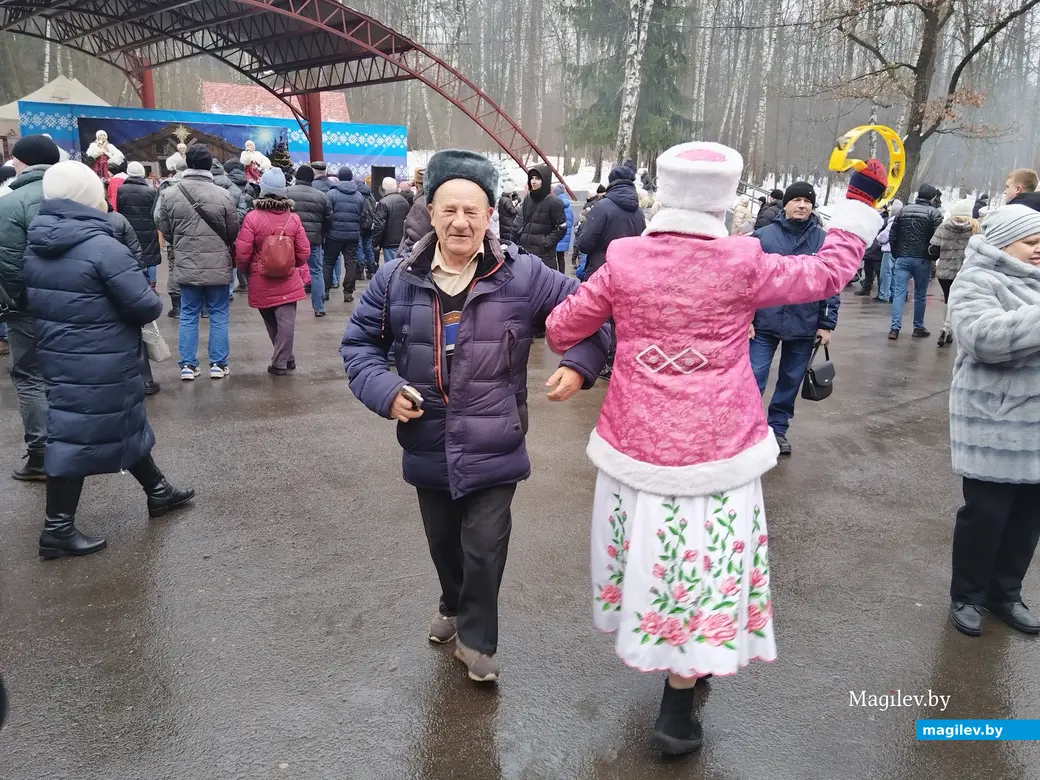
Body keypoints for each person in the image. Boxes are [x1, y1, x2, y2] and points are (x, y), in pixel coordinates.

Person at [544, 142, 884, 756]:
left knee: (653, 554)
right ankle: (678, 705)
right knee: (707, 562)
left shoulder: (624, 259)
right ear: (725, 200)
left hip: (637, 440)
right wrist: (859, 205)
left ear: (665, 193)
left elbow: (562, 327)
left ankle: (658, 654)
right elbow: (826, 274)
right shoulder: (744, 261)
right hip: (720, 444)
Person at [341, 149, 609, 684]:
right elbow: (359, 346)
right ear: (430, 213)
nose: (460, 222)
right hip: (426, 436)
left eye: (472, 211)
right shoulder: (395, 279)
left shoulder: (523, 274)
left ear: (489, 215)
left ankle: (477, 641)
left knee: (484, 544)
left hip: (495, 437)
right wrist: (384, 389)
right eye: (449, 210)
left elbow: (593, 314)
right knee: (444, 543)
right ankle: (451, 600)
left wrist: (579, 365)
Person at [23, 161, 194, 560]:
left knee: (122, 422)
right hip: (101, 354)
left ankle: (158, 490)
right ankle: (57, 527)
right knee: (75, 434)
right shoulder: (103, 247)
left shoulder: (38, 243)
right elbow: (144, 304)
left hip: (61, 350)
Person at [946, 205, 1040, 638]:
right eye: (1031, 242)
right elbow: (983, 339)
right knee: (986, 515)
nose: (1039, 250)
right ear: (1003, 243)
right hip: (995, 423)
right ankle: (967, 595)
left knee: (1028, 519)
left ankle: (1006, 594)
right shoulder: (977, 279)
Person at [749, 182, 839, 456]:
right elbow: (748, 280)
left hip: (804, 324)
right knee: (753, 377)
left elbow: (832, 285)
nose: (802, 205)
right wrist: (746, 318)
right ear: (785, 204)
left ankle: (778, 429)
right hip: (764, 322)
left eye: (807, 201)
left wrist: (826, 324)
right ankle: (749, 429)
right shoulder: (763, 237)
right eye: (796, 200)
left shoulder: (823, 241)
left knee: (790, 381)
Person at [0, 135, 61, 481]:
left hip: (28, 307)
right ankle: (75, 443)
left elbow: (8, 264)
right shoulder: (77, 197)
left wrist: (16, 302)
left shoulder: (9, 204)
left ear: (21, 162)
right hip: (75, 303)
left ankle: (41, 454)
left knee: (29, 375)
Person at [157, 144, 241, 380]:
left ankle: (187, 365)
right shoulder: (223, 194)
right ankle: (218, 364)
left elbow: (165, 228)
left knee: (188, 313)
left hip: (186, 262)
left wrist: (180, 242)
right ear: (209, 166)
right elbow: (233, 230)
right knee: (218, 314)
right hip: (218, 263)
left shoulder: (170, 194)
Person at [234, 169, 311, 375]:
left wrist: (247, 270)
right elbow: (304, 251)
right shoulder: (293, 219)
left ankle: (280, 363)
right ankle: (286, 358)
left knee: (271, 321)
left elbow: (242, 252)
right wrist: (290, 263)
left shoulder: (252, 217)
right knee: (286, 323)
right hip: (288, 278)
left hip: (261, 277)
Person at [888, 183, 943, 340]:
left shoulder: (903, 210)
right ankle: (918, 327)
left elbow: (893, 234)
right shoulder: (934, 214)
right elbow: (938, 239)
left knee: (899, 293)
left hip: (902, 257)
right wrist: (932, 257)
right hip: (922, 259)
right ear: (932, 197)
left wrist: (896, 253)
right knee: (920, 295)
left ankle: (894, 329)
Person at [929, 197, 978, 347]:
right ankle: (948, 328)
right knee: (958, 302)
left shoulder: (944, 226)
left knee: (948, 299)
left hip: (945, 272)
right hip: (965, 272)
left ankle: (946, 329)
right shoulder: (976, 228)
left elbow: (933, 250)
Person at [287, 164, 333, 318]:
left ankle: (287, 305)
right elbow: (329, 219)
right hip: (313, 239)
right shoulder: (321, 196)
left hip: (290, 238)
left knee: (287, 270)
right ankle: (319, 307)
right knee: (316, 271)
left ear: (297, 177)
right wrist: (321, 234)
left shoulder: (286, 193)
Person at [116, 162, 161, 290]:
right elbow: (154, 211)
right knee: (150, 257)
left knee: (131, 255)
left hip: (128, 226)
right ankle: (152, 285)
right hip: (148, 227)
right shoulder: (151, 191)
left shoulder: (121, 190)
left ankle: (134, 285)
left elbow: (119, 208)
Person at [512, 164, 566, 269]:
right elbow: (520, 221)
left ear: (545, 180)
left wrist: (545, 243)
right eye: (531, 178)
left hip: (543, 257)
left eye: (537, 178)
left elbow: (561, 228)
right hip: (525, 254)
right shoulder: (528, 199)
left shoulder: (554, 202)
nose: (533, 181)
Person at [325, 167, 366, 303]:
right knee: (350, 263)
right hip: (352, 234)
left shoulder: (331, 194)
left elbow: (327, 214)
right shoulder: (358, 195)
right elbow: (361, 213)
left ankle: (325, 290)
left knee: (328, 262)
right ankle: (348, 292)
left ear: (339, 177)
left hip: (334, 234)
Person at [372, 177, 410, 265]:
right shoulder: (404, 201)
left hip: (389, 242)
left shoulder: (383, 202)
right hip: (402, 241)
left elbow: (379, 225)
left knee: (390, 268)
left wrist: (375, 242)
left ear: (383, 188)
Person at [874, 199, 902, 302]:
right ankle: (893, 294)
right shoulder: (902, 223)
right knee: (894, 274)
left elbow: (883, 237)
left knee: (886, 273)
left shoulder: (892, 223)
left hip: (888, 251)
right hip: (897, 251)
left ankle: (884, 294)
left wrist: (879, 240)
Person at [356, 176, 378, 280]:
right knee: (369, 247)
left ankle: (360, 272)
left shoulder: (357, 194)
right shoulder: (370, 194)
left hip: (359, 225)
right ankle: (371, 271)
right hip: (369, 225)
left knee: (359, 247)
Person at [553, 183, 574, 273]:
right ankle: (562, 274)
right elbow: (571, 220)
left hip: (557, 233)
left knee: (553, 257)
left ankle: (554, 275)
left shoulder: (556, 203)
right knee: (561, 257)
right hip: (565, 234)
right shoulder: (568, 204)